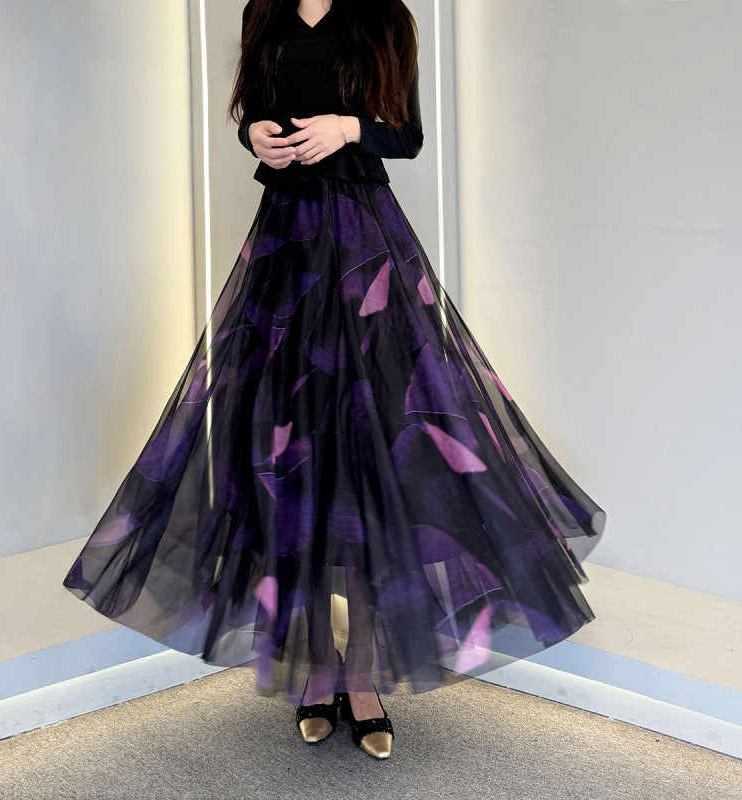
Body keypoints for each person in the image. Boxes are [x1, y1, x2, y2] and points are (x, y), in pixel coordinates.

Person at [63, 0, 606, 762]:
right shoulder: (263, 12)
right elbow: (257, 111)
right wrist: (254, 133)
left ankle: (364, 679)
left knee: (371, 463)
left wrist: (349, 129)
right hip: (284, 251)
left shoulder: (385, 16)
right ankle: (316, 671)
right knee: (292, 463)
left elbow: (406, 135)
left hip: (361, 251)